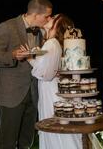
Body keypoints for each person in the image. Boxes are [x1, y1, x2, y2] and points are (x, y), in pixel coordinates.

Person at [0, 0, 53, 149]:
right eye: (46, 16)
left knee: (27, 142)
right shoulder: (7, 27)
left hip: (34, 94)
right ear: (35, 15)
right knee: (7, 143)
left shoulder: (42, 32)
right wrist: (13, 55)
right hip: (11, 95)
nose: (49, 19)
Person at [20, 14, 82, 149]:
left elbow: (44, 74)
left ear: (57, 26)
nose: (48, 18)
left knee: (54, 128)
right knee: (57, 129)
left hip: (51, 91)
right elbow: (45, 64)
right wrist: (31, 56)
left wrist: (29, 58)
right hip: (52, 89)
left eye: (53, 18)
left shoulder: (51, 43)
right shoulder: (53, 43)